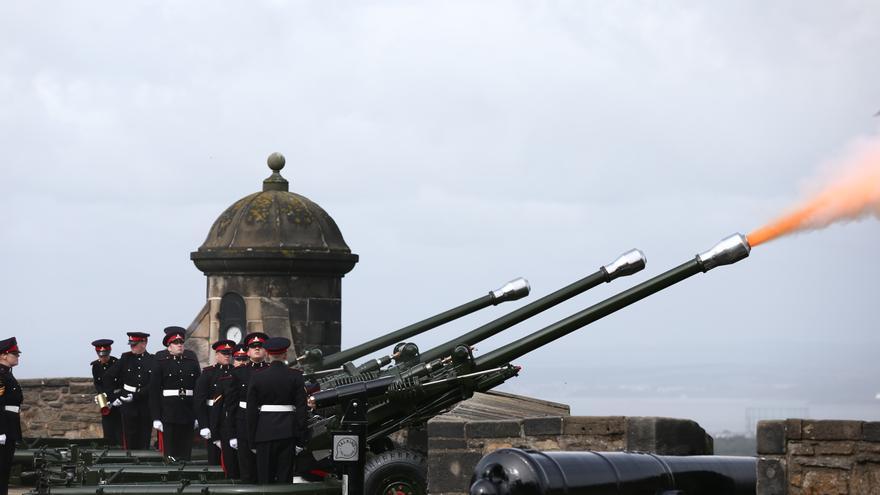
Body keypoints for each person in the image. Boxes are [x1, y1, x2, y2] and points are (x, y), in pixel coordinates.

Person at [246, 337, 307, 484]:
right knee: (285, 479)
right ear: (285, 354)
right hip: (288, 432)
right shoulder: (296, 376)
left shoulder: (257, 377)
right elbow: (301, 410)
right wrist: (301, 439)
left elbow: (251, 413)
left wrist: (252, 441)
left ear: (267, 354)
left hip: (264, 432)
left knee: (265, 480)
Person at [149, 326, 200, 460]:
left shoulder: (191, 358)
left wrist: (197, 415)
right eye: (176, 343)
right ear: (169, 346)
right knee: (171, 452)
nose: (179, 345)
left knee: (186, 452)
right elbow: (154, 390)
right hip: (169, 412)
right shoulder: (161, 360)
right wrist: (156, 417)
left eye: (181, 343)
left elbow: (197, 388)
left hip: (187, 410)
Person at [224, 332, 268, 482]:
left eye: (260, 346)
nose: (257, 349)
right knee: (247, 472)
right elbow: (231, 406)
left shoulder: (270, 371)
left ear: (266, 350)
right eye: (253, 346)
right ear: (248, 351)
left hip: (265, 423)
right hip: (243, 426)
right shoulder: (238, 373)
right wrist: (232, 433)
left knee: (265, 470)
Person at [103, 331, 154, 450]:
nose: (132, 347)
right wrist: (113, 397)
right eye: (131, 344)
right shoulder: (126, 358)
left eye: (134, 344)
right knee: (130, 437)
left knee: (145, 436)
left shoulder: (152, 360)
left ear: (144, 343)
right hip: (128, 403)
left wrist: (138, 395)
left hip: (145, 402)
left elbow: (153, 383)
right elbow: (108, 377)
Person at [194, 339, 238, 477]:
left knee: (233, 461)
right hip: (213, 421)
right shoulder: (208, 374)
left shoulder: (235, 372)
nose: (227, 356)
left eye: (229, 353)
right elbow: (199, 401)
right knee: (214, 459)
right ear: (216, 354)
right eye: (224, 353)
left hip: (230, 421)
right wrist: (203, 425)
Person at [0, 338, 22, 495]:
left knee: (5, 468)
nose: (17, 356)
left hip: (10, 426)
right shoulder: (1, 376)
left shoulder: (8, 375)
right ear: (3, 355)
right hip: (4, 427)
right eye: (14, 353)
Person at [90, 339, 123, 446]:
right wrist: (100, 395)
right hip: (105, 401)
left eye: (104, 355)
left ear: (109, 352)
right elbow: (97, 383)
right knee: (107, 428)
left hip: (117, 400)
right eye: (100, 356)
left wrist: (117, 397)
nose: (103, 358)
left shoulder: (116, 363)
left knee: (119, 429)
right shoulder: (96, 366)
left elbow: (121, 383)